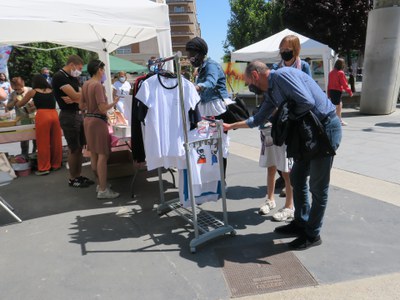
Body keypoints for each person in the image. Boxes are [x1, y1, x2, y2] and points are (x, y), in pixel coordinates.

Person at [224, 60, 342, 250]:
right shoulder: (271, 91)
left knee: (318, 187)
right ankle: (301, 222)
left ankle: (312, 234)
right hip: (309, 132)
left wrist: (282, 117)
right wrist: (231, 126)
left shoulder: (281, 76)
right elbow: (258, 118)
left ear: (255, 75)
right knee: (296, 177)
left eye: (248, 83)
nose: (250, 87)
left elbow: (307, 102)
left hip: (324, 130)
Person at [258, 35, 311, 221]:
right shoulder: (276, 67)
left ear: (295, 49)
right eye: (282, 48)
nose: (284, 51)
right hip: (277, 120)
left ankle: (290, 205)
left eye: (287, 48)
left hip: (294, 121)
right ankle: (270, 198)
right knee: (272, 163)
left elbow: (308, 92)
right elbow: (270, 95)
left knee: (288, 167)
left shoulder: (303, 66)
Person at [185, 36, 230, 177]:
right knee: (209, 145)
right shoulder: (201, 68)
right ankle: (212, 178)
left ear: (199, 53)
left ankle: (221, 180)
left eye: (191, 55)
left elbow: (211, 82)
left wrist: (197, 87)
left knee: (219, 145)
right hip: (206, 108)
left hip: (217, 108)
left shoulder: (211, 65)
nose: (189, 58)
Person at [52, 54, 94, 188]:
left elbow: (80, 95)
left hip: (77, 114)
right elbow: (76, 95)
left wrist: (79, 97)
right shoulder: (59, 77)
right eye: (79, 68)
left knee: (79, 147)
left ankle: (78, 175)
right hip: (69, 115)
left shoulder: (72, 77)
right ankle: (73, 177)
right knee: (74, 148)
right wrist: (80, 97)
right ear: (72, 65)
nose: (79, 71)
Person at [80, 59, 120, 199]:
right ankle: (103, 189)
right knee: (103, 155)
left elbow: (81, 106)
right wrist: (114, 103)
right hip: (97, 121)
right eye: (103, 70)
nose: (104, 73)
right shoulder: (98, 85)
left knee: (94, 154)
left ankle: (100, 184)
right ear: (99, 70)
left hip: (88, 120)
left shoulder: (85, 84)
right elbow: (103, 108)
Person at [16, 74, 62, 175]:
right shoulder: (51, 90)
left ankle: (44, 167)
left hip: (42, 116)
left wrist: (20, 100)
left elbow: (20, 104)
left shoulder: (33, 91)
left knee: (43, 143)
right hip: (54, 115)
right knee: (56, 141)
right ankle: (56, 164)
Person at [6, 77, 37, 158]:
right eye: (16, 89)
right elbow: (8, 108)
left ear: (23, 84)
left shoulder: (31, 90)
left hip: (34, 118)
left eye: (20, 89)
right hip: (22, 119)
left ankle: (35, 155)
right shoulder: (13, 94)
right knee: (24, 141)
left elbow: (40, 102)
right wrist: (14, 101)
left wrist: (33, 105)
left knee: (36, 139)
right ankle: (25, 157)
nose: (18, 91)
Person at [328, 58, 353, 126]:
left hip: (332, 91)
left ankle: (336, 120)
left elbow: (329, 83)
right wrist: (349, 92)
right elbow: (344, 84)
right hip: (337, 91)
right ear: (342, 65)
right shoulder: (340, 73)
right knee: (338, 107)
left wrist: (328, 93)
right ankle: (338, 121)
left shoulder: (331, 72)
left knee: (336, 106)